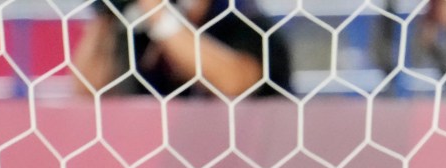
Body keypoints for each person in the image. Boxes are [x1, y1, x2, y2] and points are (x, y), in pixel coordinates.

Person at [70, 0, 292, 99]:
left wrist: (158, 14)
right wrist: (108, 14)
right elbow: (87, 91)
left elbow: (236, 84)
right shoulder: (137, 29)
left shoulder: (246, 21)